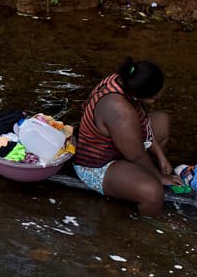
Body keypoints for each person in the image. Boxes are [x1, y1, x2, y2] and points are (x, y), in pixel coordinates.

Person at [73, 57, 178, 217]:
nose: (155, 102)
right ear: (137, 96)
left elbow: (144, 125)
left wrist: (161, 156)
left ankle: (136, 178)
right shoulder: (120, 110)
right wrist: (159, 177)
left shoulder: (123, 79)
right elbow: (136, 156)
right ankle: (147, 223)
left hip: (119, 144)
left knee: (162, 121)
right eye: (154, 99)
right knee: (154, 193)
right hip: (97, 164)